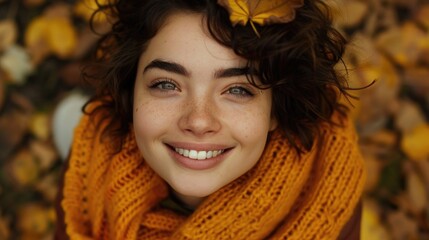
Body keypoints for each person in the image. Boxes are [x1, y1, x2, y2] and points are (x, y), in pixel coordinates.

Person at [55, 0, 366, 239]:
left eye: (238, 90)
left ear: (275, 109)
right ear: (131, 86)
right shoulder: (90, 164)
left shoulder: (327, 198)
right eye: (166, 85)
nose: (199, 121)